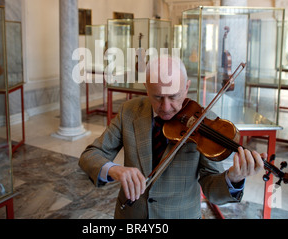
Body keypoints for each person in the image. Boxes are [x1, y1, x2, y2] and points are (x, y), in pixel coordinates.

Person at [79, 55, 266, 219]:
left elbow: (211, 187)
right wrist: (115, 170)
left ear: (186, 88)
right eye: (158, 97)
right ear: (146, 88)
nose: (166, 107)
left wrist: (233, 178)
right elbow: (90, 155)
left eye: (174, 96)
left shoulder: (204, 122)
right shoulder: (130, 111)